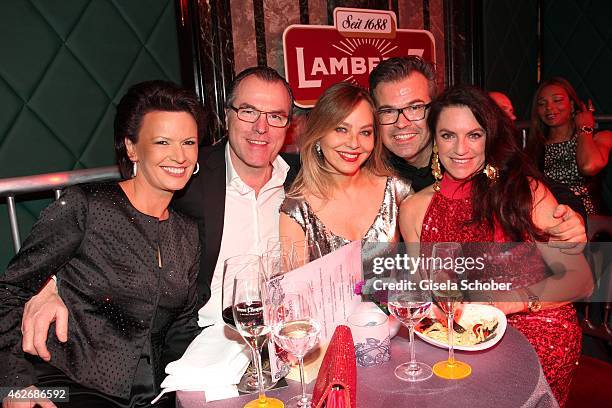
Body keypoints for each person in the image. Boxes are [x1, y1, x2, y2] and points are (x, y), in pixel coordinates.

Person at [16, 67, 299, 360]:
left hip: (276, 338)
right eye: (248, 111)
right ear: (226, 115)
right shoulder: (185, 173)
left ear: (288, 125)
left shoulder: (300, 178)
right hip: (203, 342)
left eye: (275, 116)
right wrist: (48, 283)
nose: (261, 127)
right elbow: (110, 223)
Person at [0, 80, 204, 407]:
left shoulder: (186, 232)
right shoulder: (88, 206)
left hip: (151, 394)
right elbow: (9, 292)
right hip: (66, 385)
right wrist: (13, 384)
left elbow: (183, 328)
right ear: (132, 147)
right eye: (163, 141)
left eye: (188, 142)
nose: (178, 155)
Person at [399, 85, 593, 406]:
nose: (461, 148)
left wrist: (507, 303)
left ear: (489, 138)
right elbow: (429, 290)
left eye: (474, 135)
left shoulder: (522, 191)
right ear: (434, 139)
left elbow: (581, 279)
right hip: (460, 333)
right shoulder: (414, 209)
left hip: (538, 326)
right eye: (448, 135)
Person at [369, 56, 587, 245]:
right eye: (387, 111)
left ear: (435, 110)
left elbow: (546, 196)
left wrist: (568, 223)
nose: (402, 122)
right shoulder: (375, 176)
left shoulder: (481, 163)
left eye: (415, 107)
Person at [280, 82, 412, 261]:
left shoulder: (397, 192)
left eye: (365, 132)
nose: (354, 143)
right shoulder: (297, 209)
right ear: (319, 135)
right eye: (341, 130)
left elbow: (425, 272)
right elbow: (295, 287)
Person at [527, 77, 612, 215]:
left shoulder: (600, 137)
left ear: (572, 105)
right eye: (542, 103)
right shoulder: (535, 149)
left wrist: (584, 128)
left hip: (589, 220)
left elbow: (589, 166)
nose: (549, 107)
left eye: (557, 100)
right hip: (550, 216)